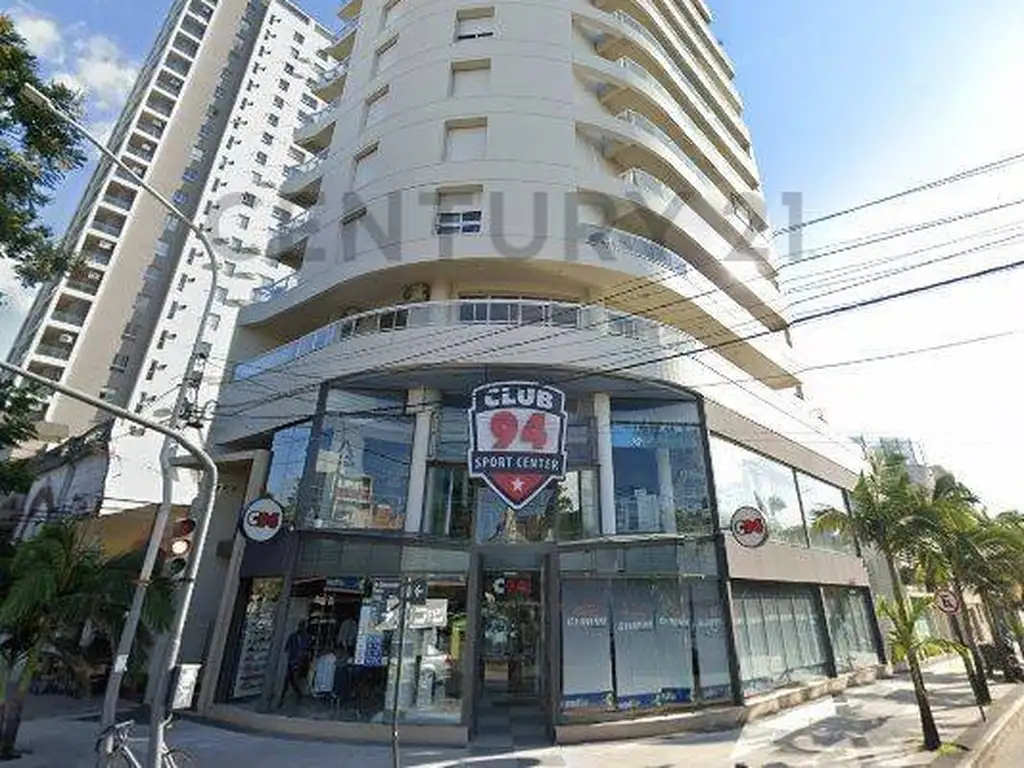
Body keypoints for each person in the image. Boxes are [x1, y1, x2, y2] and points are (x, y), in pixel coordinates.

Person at [279, 620, 311, 707]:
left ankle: (297, 694)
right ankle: (288, 696)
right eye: (300, 626)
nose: (301, 628)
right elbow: (287, 648)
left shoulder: (306, 637)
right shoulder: (293, 636)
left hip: (299, 661)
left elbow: (307, 650)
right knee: (289, 679)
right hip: (293, 660)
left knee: (293, 679)